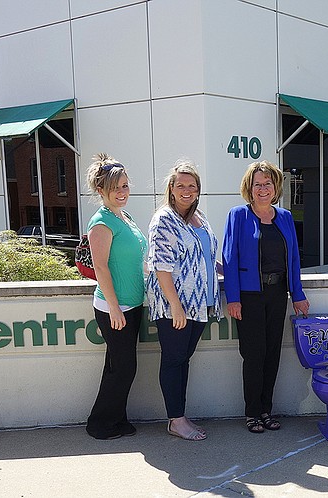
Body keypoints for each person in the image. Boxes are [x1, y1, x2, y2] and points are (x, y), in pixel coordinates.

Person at [223, 160, 309, 434]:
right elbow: (229, 258)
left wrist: (297, 294)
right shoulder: (238, 215)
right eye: (257, 184)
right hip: (248, 296)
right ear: (249, 188)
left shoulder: (284, 217)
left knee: (272, 353)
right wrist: (233, 298)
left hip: (276, 293)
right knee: (253, 354)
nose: (262, 189)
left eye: (267, 183)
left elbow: (293, 258)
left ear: (276, 187)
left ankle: (266, 410)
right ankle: (251, 412)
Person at [146, 159, 221, 441]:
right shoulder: (164, 219)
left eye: (192, 185)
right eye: (181, 185)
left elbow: (206, 256)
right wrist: (175, 306)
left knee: (183, 360)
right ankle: (176, 420)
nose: (186, 190)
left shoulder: (199, 216)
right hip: (174, 306)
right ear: (172, 188)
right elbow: (160, 266)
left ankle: (179, 415)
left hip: (200, 304)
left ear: (198, 189)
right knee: (174, 359)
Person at [84, 153, 147, 440]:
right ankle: (100, 425)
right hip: (114, 306)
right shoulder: (101, 222)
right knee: (124, 368)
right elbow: (101, 267)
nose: (122, 193)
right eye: (115, 188)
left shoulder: (125, 217)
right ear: (101, 191)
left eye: (125, 186)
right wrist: (114, 309)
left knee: (117, 366)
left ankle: (116, 419)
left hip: (132, 303)